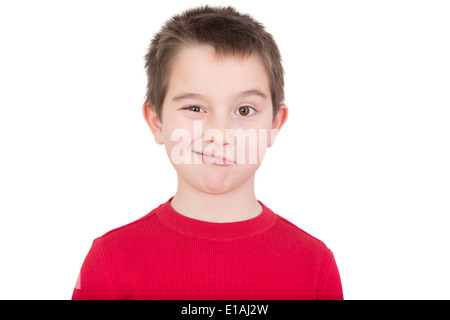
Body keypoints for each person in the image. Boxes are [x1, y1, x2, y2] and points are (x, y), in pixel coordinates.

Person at [72, 5, 343, 300]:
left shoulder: (314, 265)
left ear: (275, 124)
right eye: (195, 108)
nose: (219, 133)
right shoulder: (110, 261)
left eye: (244, 110)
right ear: (156, 121)